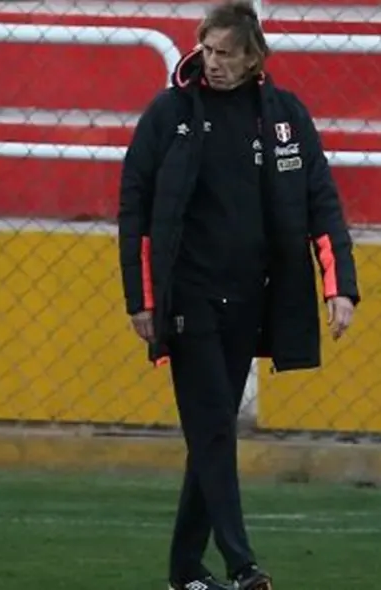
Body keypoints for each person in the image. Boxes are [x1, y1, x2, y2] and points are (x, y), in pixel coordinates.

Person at [117, 2, 359, 589]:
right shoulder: (168, 115)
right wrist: (141, 299)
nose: (214, 63)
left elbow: (319, 201)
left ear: (255, 58)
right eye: (207, 49)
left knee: (212, 428)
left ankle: (183, 572)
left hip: (250, 299)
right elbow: (136, 211)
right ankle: (241, 562)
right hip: (188, 299)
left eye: (227, 53)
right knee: (216, 429)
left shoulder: (283, 117)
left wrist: (339, 286)